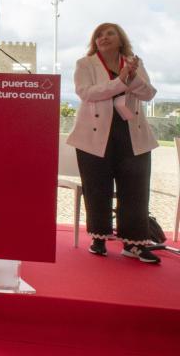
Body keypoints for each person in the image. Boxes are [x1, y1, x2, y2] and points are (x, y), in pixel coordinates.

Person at [66, 23, 159, 264]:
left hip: (132, 134)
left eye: (110, 33)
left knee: (136, 189)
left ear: (120, 39)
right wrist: (121, 81)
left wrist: (132, 76)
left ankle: (134, 243)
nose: (103, 37)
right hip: (94, 136)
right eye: (99, 35)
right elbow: (86, 92)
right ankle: (99, 239)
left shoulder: (133, 62)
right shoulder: (84, 64)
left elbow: (148, 93)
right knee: (97, 187)